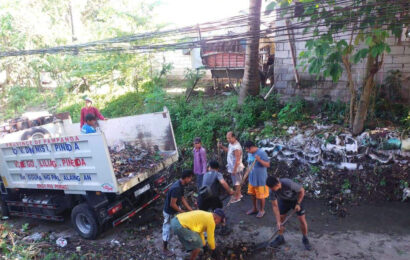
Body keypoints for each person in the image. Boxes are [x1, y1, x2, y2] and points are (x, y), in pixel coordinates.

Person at [266, 176, 312, 250]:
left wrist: (298, 203)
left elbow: (302, 191)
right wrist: (278, 222)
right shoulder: (272, 191)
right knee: (281, 220)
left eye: (272, 188)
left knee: (302, 220)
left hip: (296, 200)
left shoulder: (288, 183)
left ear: (277, 184)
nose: (271, 190)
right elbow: (275, 206)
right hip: (284, 201)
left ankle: (305, 238)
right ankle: (280, 238)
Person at [162, 170, 195, 257]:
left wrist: (190, 210)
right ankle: (165, 249)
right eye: (190, 178)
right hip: (169, 212)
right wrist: (182, 211)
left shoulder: (181, 184)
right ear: (186, 178)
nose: (191, 180)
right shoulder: (177, 188)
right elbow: (172, 204)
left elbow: (182, 198)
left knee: (181, 226)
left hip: (175, 210)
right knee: (167, 229)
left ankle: (188, 245)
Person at [244, 141, 270, 218]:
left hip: (261, 179)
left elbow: (268, 165)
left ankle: (262, 210)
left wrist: (259, 160)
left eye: (247, 149)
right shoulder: (250, 153)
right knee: (252, 194)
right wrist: (246, 175)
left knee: (261, 196)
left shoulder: (261, 153)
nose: (247, 151)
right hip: (252, 178)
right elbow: (249, 165)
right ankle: (254, 208)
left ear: (251, 147)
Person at [218, 132, 244, 203]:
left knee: (237, 183)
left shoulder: (236, 147)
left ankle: (237, 197)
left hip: (236, 168)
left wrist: (234, 169)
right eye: (227, 138)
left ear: (234, 137)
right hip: (233, 167)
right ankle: (239, 194)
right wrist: (222, 147)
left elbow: (238, 159)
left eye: (229, 138)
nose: (228, 140)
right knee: (236, 182)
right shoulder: (231, 144)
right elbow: (229, 151)